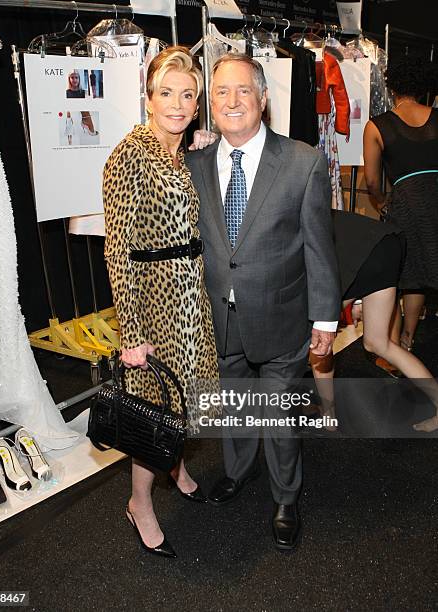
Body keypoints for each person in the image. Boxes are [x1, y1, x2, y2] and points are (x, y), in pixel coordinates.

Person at [187, 54, 341, 552]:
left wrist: (325, 319)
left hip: (282, 320)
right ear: (211, 103)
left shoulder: (303, 162)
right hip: (220, 320)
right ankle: (236, 471)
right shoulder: (193, 164)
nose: (232, 101)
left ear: (263, 99)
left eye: (243, 91)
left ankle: (286, 498)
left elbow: (319, 248)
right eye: (221, 92)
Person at [103, 47, 219, 559]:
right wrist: (131, 333)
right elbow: (116, 249)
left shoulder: (182, 152)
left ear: (197, 104)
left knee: (185, 398)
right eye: (166, 92)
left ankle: (177, 467)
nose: (177, 103)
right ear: (148, 98)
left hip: (191, 295)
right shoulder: (128, 155)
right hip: (153, 302)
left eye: (187, 94)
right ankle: (139, 501)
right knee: (155, 412)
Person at [310, 210, 438, 433]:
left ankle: (328, 415)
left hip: (361, 254)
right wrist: (358, 300)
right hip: (387, 244)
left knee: (318, 343)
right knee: (378, 343)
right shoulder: (310, 207)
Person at [363, 55, 438, 432]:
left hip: (407, 208)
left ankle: (397, 348)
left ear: (391, 87)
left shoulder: (378, 126)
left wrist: (383, 203)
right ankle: (404, 341)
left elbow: (373, 182)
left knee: (406, 276)